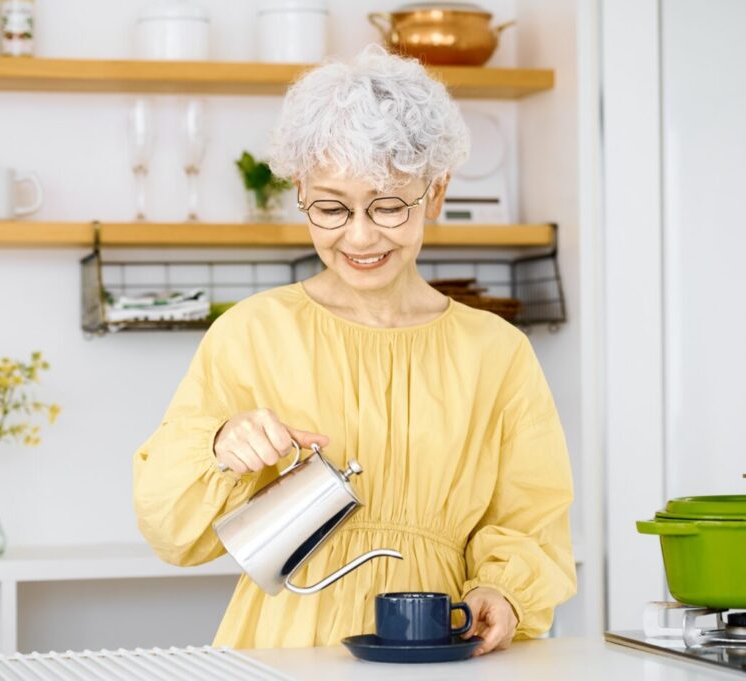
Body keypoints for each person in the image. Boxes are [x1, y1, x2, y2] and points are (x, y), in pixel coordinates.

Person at [133, 44, 576, 656]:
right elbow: (172, 533)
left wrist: (503, 592)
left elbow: (531, 521)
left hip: (434, 642)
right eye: (332, 207)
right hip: (286, 648)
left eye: (388, 205)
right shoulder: (252, 333)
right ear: (300, 192)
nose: (360, 236)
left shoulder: (497, 353)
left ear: (436, 192)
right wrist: (220, 447)